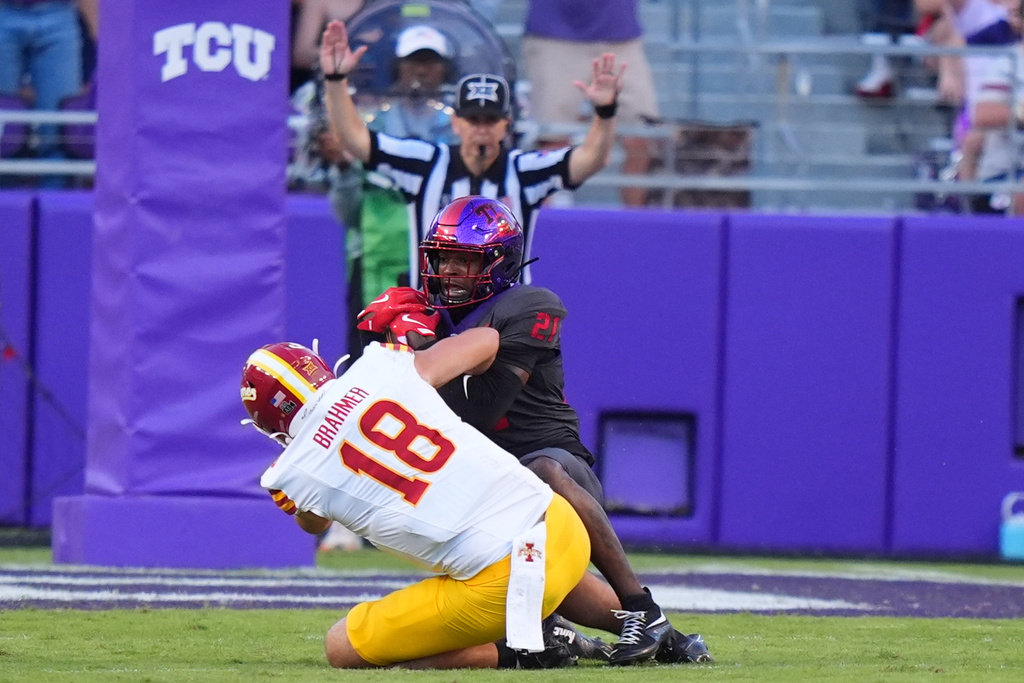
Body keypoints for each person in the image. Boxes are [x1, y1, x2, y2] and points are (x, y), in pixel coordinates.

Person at [356, 196, 713, 666]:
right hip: (486, 479)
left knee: (540, 470)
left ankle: (644, 611)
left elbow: (481, 410)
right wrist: (387, 352)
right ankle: (604, 637)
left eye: (465, 260)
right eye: (443, 258)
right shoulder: (427, 313)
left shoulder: (529, 305)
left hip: (555, 463)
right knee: (523, 572)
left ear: (498, 262)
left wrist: (421, 351)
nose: (450, 271)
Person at [240, 328, 613, 669]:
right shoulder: (379, 367)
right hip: (561, 523)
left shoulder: (290, 475)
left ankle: (524, 650)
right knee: (525, 550)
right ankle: (649, 625)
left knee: (342, 646)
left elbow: (314, 523)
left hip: (504, 584)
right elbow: (487, 340)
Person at [317, 18, 621, 288]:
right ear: (456, 122)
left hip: (505, 319)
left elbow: (591, 159)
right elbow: (355, 139)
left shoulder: (524, 171)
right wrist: (335, 81)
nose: (482, 129)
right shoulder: (426, 164)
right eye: (473, 120)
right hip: (432, 314)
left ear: (506, 125)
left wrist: (605, 112)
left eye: (490, 121)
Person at [521, 0, 659, 207]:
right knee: (552, 140)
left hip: (621, 36)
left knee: (643, 139)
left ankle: (640, 230)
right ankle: (542, 230)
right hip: (554, 36)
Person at [0, 0, 86, 183]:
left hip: (59, 13)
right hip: (4, 12)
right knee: (4, 129)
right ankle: (5, 204)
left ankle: (58, 205)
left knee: (60, 131)